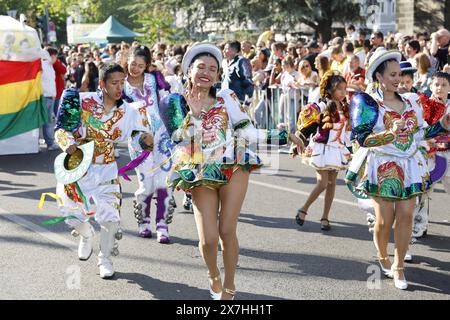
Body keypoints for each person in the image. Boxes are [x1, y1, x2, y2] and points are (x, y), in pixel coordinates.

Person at [165, 43, 288, 300]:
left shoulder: (227, 97)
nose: (206, 73)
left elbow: (248, 132)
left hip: (233, 165)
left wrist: (283, 135)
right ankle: (213, 275)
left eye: (213, 69)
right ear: (189, 71)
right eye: (201, 67)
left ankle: (230, 286)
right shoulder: (176, 101)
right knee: (209, 238)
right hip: (199, 169)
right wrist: (195, 114)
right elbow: (179, 139)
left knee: (226, 231)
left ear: (219, 75)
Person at [345, 48, 450, 290]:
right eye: (392, 74)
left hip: (411, 164)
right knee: (384, 220)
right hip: (383, 165)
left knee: (406, 216)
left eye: (398, 74)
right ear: (379, 77)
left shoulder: (412, 100)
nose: (397, 79)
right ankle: (383, 256)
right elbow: (363, 139)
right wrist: (388, 134)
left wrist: (441, 125)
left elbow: (420, 134)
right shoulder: (368, 102)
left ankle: (399, 265)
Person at [53, 62, 154, 278]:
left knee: (110, 215)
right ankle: (86, 234)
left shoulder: (130, 111)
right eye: (114, 83)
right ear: (102, 84)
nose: (119, 88)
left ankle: (104, 258)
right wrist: (67, 142)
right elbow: (62, 129)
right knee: (71, 214)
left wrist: (144, 140)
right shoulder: (80, 101)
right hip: (77, 167)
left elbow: (136, 137)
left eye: (122, 83)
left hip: (106, 168)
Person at [123, 45, 175, 243]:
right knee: (147, 184)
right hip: (139, 140)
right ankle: (143, 221)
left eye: (140, 65)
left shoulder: (154, 79)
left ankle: (162, 225)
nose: (135, 68)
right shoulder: (121, 83)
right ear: (127, 60)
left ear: (147, 66)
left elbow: (168, 100)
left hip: (162, 136)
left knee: (164, 182)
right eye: (133, 64)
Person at [291, 71, 351, 231]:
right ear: (330, 90)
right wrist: (298, 141)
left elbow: (347, 131)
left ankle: (325, 217)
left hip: (337, 150)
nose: (343, 92)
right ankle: (303, 209)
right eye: (340, 89)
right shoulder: (322, 106)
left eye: (345, 89)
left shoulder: (346, 108)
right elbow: (307, 126)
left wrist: (350, 148)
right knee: (323, 183)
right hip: (322, 149)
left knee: (331, 185)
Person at [222, 41, 254, 108]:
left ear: (234, 50)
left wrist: (246, 103)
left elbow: (248, 82)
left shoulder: (242, 61)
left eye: (226, 49)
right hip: (226, 102)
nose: (223, 51)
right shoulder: (226, 63)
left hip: (238, 102)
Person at [40, 49, 59, 151]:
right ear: (52, 56)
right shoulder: (42, 65)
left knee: (48, 121)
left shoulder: (49, 66)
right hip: (45, 97)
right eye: (56, 57)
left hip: (49, 97)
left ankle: (48, 142)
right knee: (48, 122)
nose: (56, 59)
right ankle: (50, 143)